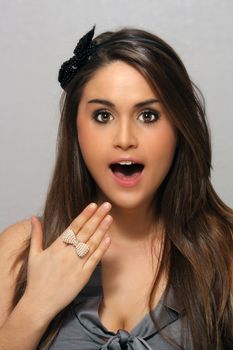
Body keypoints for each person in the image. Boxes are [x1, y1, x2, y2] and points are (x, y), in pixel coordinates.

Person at [0, 25, 232, 350]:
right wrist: (35, 307)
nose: (125, 139)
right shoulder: (17, 251)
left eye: (148, 115)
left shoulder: (227, 250)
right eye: (103, 115)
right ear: (75, 127)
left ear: (180, 127)